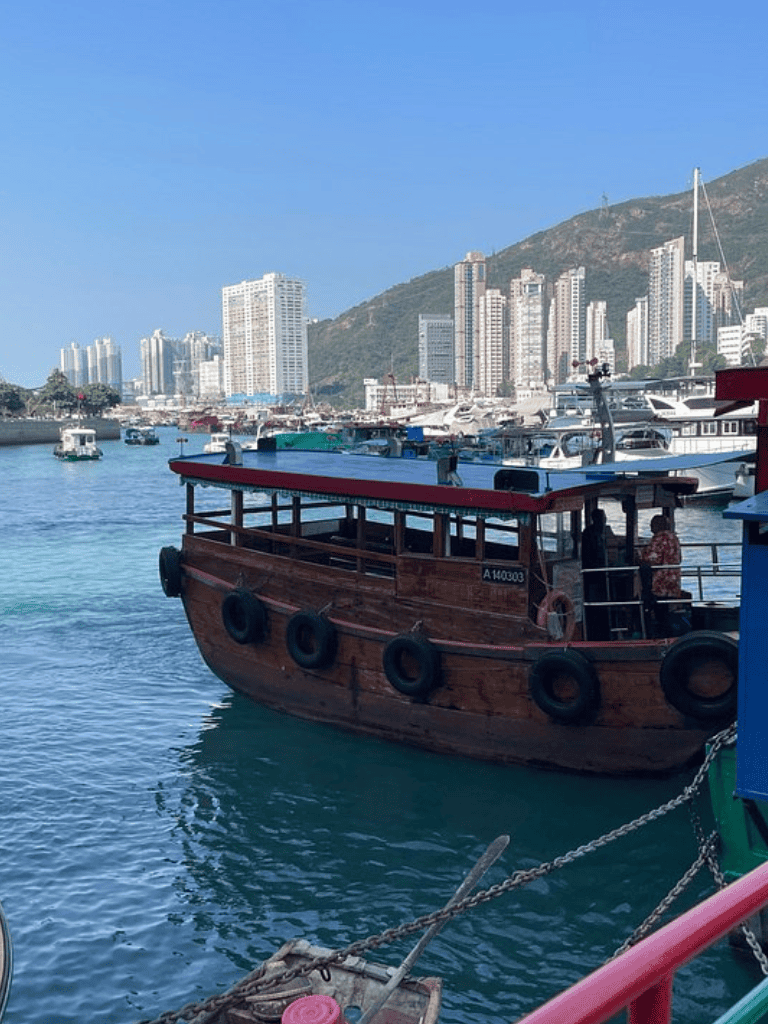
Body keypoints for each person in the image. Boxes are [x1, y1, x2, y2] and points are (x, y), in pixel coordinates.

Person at [638, 514, 681, 634]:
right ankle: (668, 632)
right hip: (673, 580)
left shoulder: (659, 538)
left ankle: (659, 635)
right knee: (666, 609)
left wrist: (640, 558)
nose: (650, 527)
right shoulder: (674, 538)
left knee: (659, 611)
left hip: (660, 581)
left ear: (659, 525)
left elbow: (653, 559)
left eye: (652, 524)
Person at [581, 508, 610, 639]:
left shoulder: (602, 532)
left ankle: (604, 629)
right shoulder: (589, 533)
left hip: (601, 572)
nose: (604, 521)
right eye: (602, 518)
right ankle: (596, 631)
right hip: (593, 574)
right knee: (594, 602)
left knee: (602, 601)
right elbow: (589, 555)